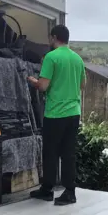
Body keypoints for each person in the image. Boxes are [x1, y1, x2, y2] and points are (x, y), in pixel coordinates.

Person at [27, 24, 85, 205]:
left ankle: (47, 189)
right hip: (74, 113)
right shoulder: (77, 59)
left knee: (50, 153)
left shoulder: (51, 57)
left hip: (55, 114)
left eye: (50, 38)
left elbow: (43, 86)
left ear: (53, 38)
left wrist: (33, 81)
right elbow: (82, 85)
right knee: (68, 154)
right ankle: (70, 192)